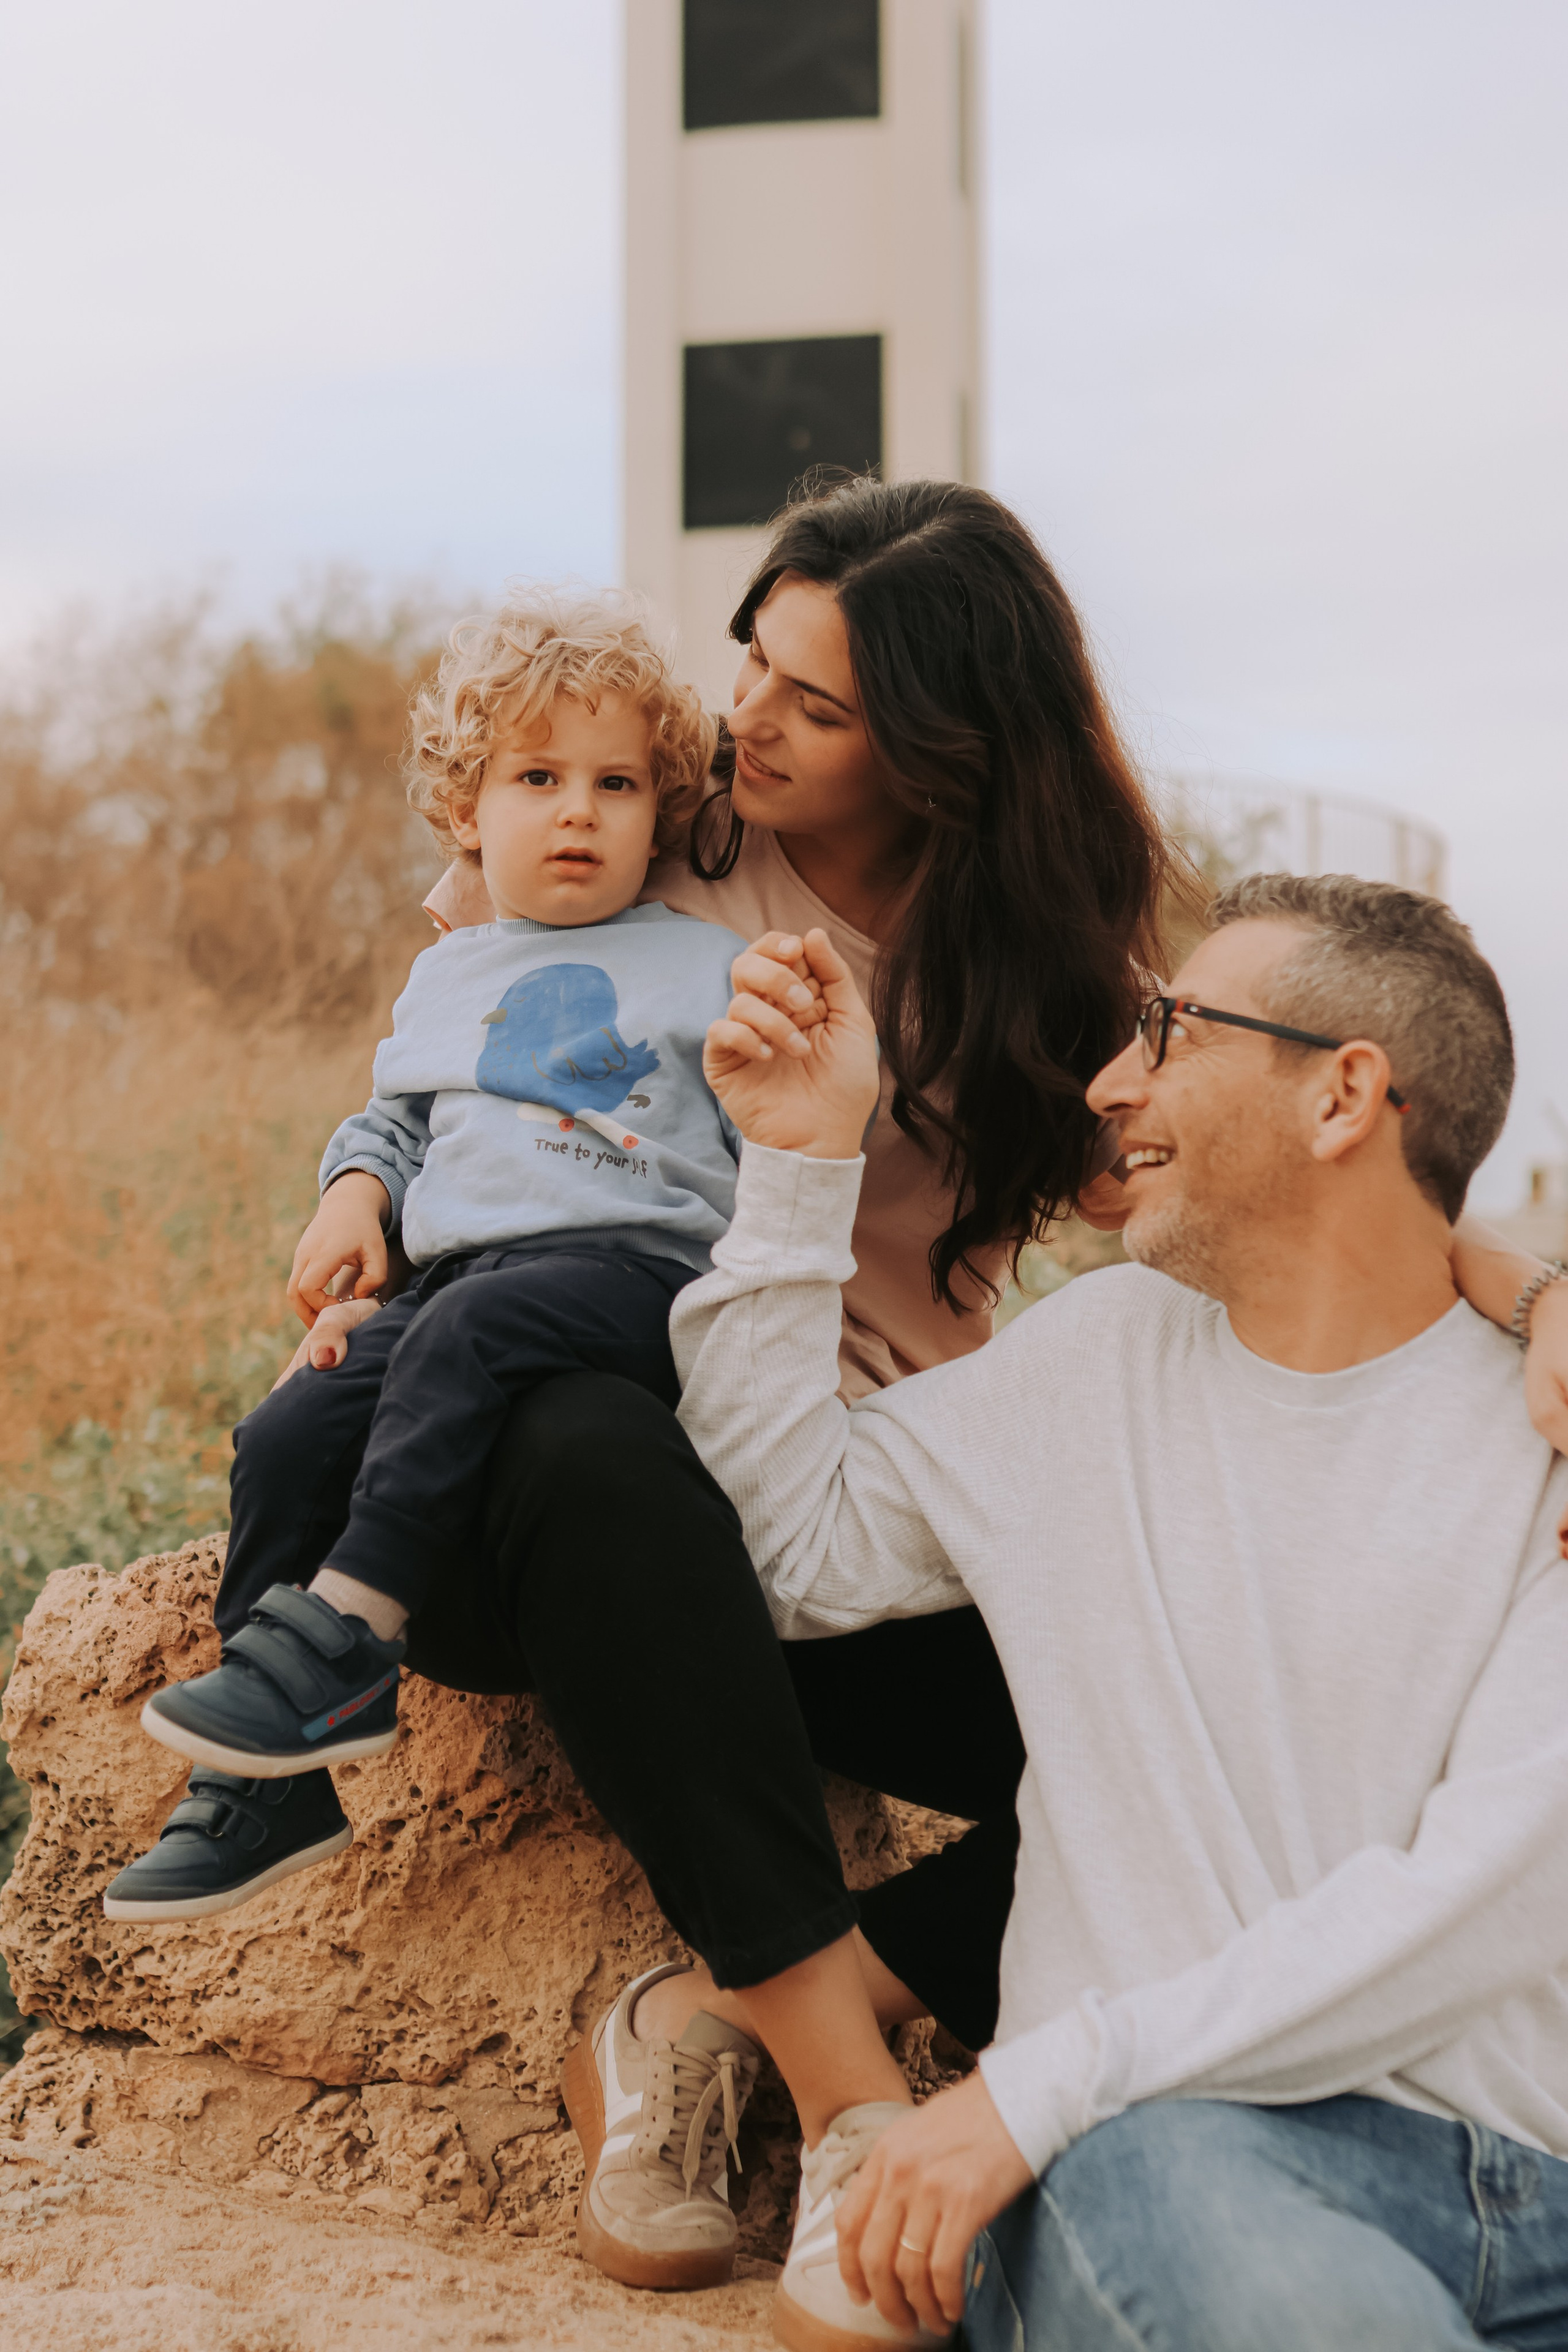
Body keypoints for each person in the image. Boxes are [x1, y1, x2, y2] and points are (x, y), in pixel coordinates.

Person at [96, 478, 1568, 2334]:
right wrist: (363, 1212)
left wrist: (1537, 1288)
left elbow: (1324, 1187)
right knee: (588, 1433)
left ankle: (699, 2016)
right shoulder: (639, 823)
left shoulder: (1048, 972)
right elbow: (443, 1063)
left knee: (1184, 1764)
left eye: (815, 699)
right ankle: (838, 2091)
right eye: (751, 661)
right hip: (573, 1482)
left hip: (867, 1502)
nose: (743, 720)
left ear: (942, 747)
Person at [673, 877, 1568, 2351]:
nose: (1109, 1083)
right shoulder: (1092, 1366)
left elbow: (1495, 1891)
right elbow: (786, 1549)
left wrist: (1031, 2086)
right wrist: (799, 1164)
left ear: (1343, 1095)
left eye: (1172, 1032)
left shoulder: (1543, 1427)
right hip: (1172, 2152)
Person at [104, 589, 752, 1909]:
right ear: (467, 811)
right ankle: (258, 1798)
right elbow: (397, 1121)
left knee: (466, 1332)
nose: (577, 809)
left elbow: (776, 1151)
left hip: (635, 1279)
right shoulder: (451, 970)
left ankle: (349, 1634)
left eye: (615, 782)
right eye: (536, 776)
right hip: (464, 1286)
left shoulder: (711, 964)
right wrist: (351, 1192)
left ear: (662, 810)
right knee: (291, 1425)